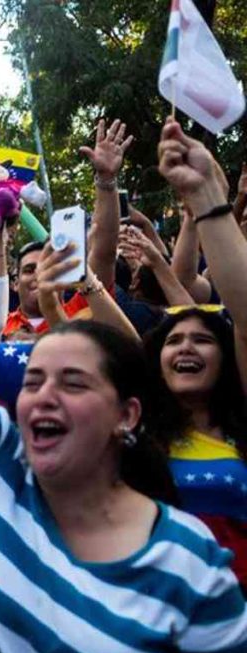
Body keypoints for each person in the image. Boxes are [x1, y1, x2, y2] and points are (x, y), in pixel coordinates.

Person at [0, 117, 247, 653]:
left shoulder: (191, 567)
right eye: (32, 382)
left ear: (128, 414)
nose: (43, 397)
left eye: (73, 383)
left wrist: (212, 206)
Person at [142, 118, 247, 590]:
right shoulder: (131, 437)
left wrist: (207, 199)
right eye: (173, 340)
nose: (185, 346)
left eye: (202, 340)